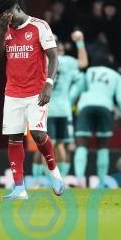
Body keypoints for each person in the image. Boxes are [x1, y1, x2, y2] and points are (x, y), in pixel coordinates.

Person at [0, 0, 64, 201]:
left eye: (6, 16)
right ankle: (19, 188)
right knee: (14, 137)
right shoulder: (5, 29)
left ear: (16, 9)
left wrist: (48, 84)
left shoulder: (39, 26)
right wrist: (1, 32)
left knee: (38, 134)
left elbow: (53, 57)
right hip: (13, 93)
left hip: (36, 92)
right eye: (1, 18)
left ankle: (54, 171)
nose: (6, 20)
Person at [32, 31, 88, 183]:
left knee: (45, 147)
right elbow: (83, 63)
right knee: (61, 145)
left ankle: (46, 180)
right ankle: (60, 180)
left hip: (44, 109)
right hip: (64, 110)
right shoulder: (68, 62)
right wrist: (80, 42)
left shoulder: (39, 61)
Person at [73, 54, 121, 187]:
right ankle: (101, 182)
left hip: (85, 107)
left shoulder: (88, 72)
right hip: (105, 108)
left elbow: (76, 91)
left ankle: (79, 180)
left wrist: (69, 107)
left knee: (81, 144)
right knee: (102, 146)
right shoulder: (116, 76)